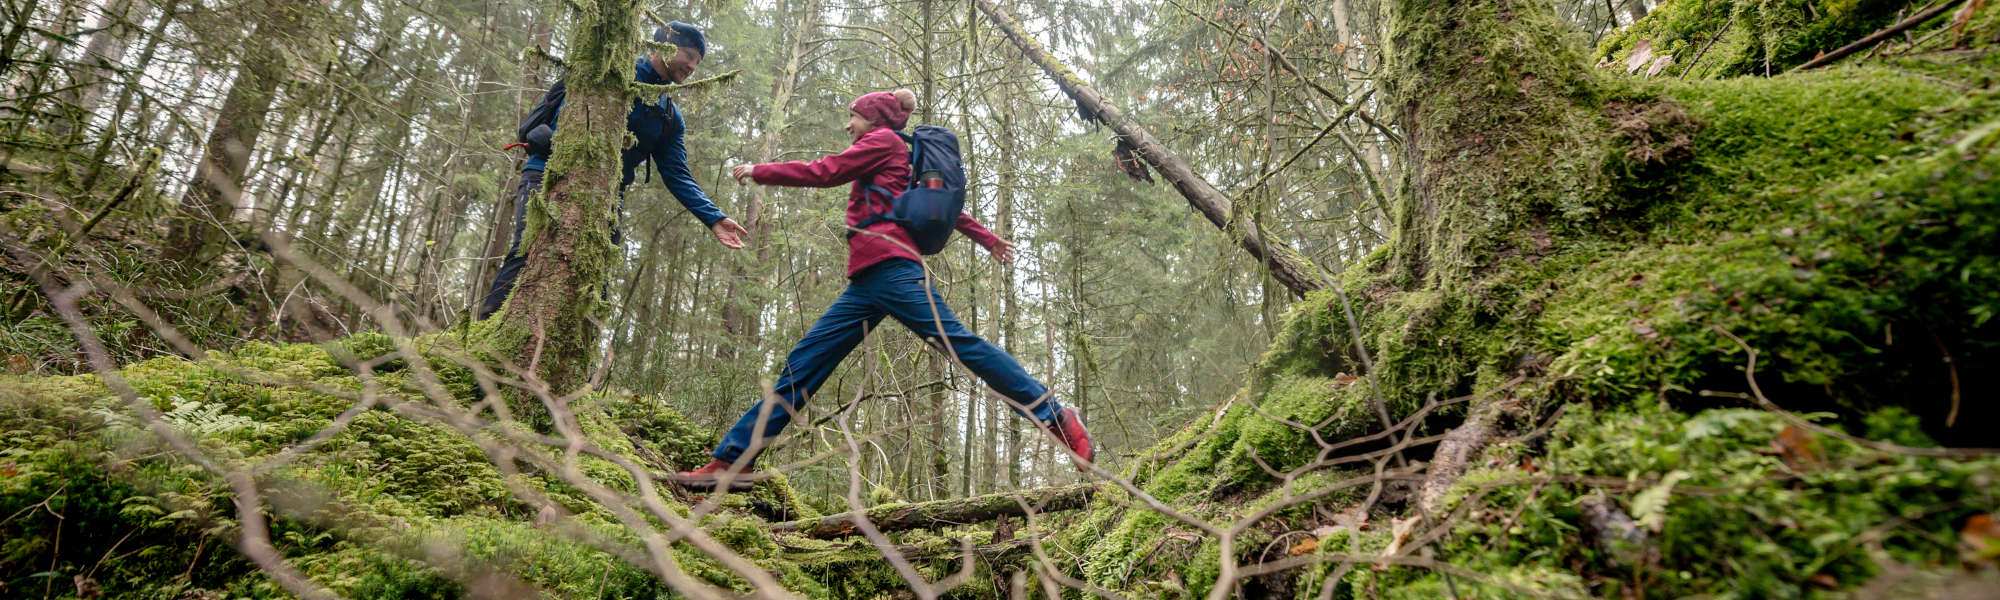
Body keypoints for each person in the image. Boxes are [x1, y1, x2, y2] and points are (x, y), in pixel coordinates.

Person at [674, 89, 1093, 488]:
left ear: (871, 118)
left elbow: (827, 171)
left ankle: (1056, 415)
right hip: (870, 281)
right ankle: (732, 463)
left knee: (961, 345)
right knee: (803, 366)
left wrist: (760, 170)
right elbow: (938, 205)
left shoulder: (884, 142)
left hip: (893, 270)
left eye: (852, 117)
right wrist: (987, 238)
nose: (848, 126)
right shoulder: (901, 152)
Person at [481, 22, 750, 319]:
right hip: (548, 171)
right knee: (529, 251)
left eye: (698, 61)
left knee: (597, 277)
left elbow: (677, 174)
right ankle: (483, 340)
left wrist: (714, 218)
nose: (692, 66)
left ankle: (574, 359)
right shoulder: (609, 69)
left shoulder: (669, 116)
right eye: (688, 55)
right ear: (662, 47)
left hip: (609, 195)